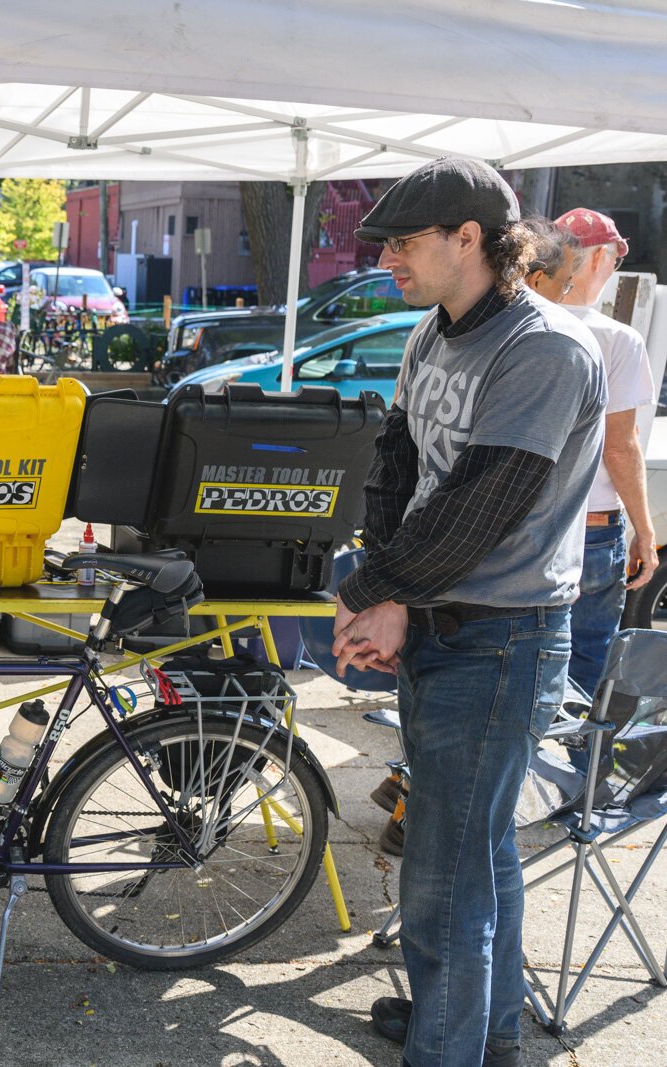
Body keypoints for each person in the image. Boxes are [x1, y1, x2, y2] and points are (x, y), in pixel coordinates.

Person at [331, 158, 605, 1067]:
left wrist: (384, 594)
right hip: (440, 622)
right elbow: (395, 466)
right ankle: (483, 1033)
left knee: (443, 870)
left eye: (406, 243)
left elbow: (485, 504)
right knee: (477, 855)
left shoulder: (547, 349)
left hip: (501, 640)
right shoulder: (433, 334)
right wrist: (381, 581)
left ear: (470, 239)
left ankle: (448, 1049)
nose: (389, 261)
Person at [553, 207, 658, 696]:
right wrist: (644, 529)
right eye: (614, 258)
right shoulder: (618, 339)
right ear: (597, 258)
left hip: (523, 524)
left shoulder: (513, 327)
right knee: (588, 659)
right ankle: (576, 767)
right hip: (593, 526)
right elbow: (621, 448)